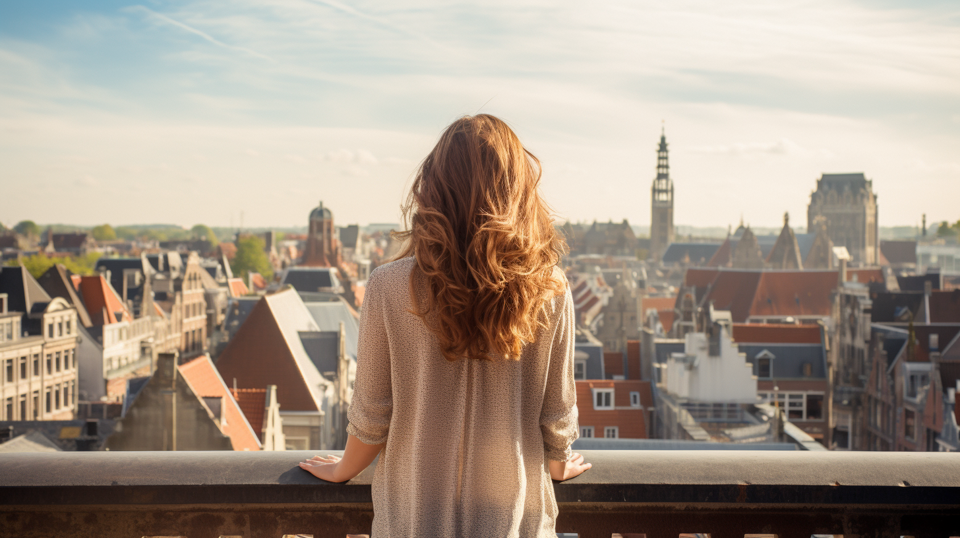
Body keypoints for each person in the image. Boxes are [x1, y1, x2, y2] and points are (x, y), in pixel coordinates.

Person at [299, 114, 590, 537]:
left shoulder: (389, 285)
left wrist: (344, 468)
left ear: (433, 189)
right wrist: (560, 464)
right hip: (511, 522)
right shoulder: (551, 289)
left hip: (415, 520)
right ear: (519, 193)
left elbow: (373, 415)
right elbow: (556, 416)